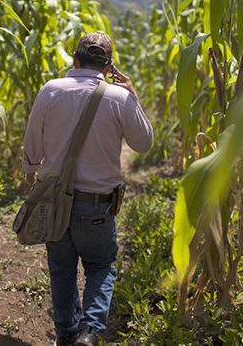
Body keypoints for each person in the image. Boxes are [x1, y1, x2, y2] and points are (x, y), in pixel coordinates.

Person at [21, 31, 153, 346]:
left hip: (54, 201)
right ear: (108, 67)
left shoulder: (51, 90)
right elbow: (143, 143)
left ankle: (67, 335)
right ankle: (90, 330)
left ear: (74, 59)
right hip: (97, 205)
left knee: (62, 268)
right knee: (100, 266)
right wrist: (132, 93)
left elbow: (32, 146)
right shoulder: (119, 97)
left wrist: (31, 173)